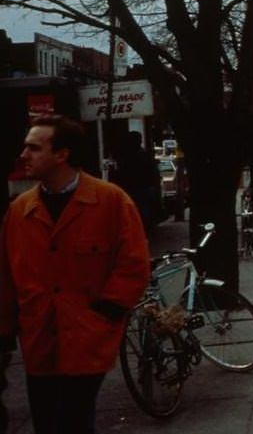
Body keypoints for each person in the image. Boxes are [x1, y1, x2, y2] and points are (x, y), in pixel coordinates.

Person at [0, 115, 150, 433]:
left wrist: (106, 312)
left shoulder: (110, 202)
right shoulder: (20, 211)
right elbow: (6, 276)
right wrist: (5, 330)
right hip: (39, 342)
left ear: (62, 154)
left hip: (85, 341)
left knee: (73, 421)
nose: (24, 155)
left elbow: (134, 263)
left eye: (34, 148)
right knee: (46, 422)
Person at [109, 129, 161, 231]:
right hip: (142, 187)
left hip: (134, 188)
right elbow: (152, 172)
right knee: (143, 210)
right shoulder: (143, 154)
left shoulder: (126, 156)